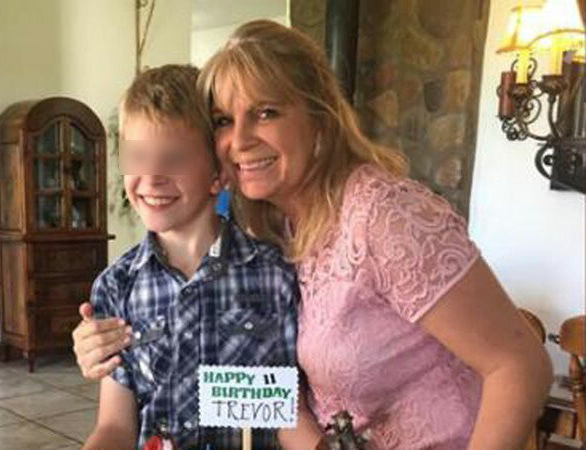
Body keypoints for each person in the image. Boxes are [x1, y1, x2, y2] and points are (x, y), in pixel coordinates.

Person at [74, 21, 553, 450]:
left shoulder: (384, 216)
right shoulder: (274, 227)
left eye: (265, 112)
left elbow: (519, 364)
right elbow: (274, 399)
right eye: (223, 120)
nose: (240, 139)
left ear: (319, 117)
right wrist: (101, 346)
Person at [78, 64, 299, 450]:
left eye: (174, 158)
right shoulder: (116, 286)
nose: (152, 176)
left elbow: (289, 417)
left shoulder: (275, 275)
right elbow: (114, 427)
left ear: (219, 175)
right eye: (137, 155)